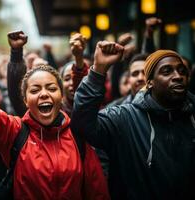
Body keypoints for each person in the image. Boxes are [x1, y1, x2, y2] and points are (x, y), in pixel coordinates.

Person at [0, 27, 109, 200]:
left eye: (51, 88)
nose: (44, 93)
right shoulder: (14, 132)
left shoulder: (78, 135)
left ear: (61, 96)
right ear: (25, 100)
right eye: (35, 89)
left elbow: (97, 191)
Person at [71, 40, 195, 199]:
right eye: (167, 71)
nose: (177, 76)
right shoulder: (124, 118)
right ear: (149, 83)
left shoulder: (192, 116)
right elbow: (82, 124)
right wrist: (98, 71)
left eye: (182, 71)